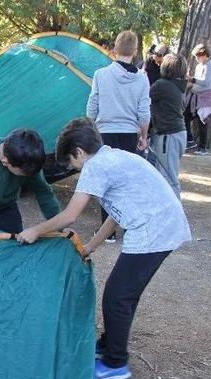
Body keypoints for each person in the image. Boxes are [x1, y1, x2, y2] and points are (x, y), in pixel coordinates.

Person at [17, 118, 191, 379]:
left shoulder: (96, 166)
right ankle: (109, 344)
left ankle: (116, 363)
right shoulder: (113, 158)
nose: (73, 169)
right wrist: (90, 247)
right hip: (159, 223)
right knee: (124, 294)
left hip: (155, 228)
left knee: (117, 296)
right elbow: (116, 214)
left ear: (78, 152)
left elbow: (70, 215)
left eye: (71, 163)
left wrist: (35, 230)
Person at [86, 30, 151, 241]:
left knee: (107, 181)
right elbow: (144, 112)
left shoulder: (101, 75)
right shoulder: (141, 79)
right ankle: (129, 227)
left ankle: (108, 231)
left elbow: (92, 106)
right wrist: (143, 135)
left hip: (105, 133)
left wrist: (90, 127)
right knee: (127, 181)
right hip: (129, 134)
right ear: (134, 52)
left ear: (114, 50)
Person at [149, 53, 188, 198]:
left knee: (169, 178)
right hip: (178, 134)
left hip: (168, 136)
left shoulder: (162, 85)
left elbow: (144, 98)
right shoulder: (179, 87)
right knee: (165, 174)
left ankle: (176, 216)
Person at [184, 44, 211, 156]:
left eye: (198, 56)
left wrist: (191, 79)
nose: (197, 59)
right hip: (195, 96)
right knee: (185, 116)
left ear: (204, 55)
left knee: (203, 122)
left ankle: (203, 147)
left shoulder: (210, 66)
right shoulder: (199, 66)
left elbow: (205, 82)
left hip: (205, 97)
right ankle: (190, 140)